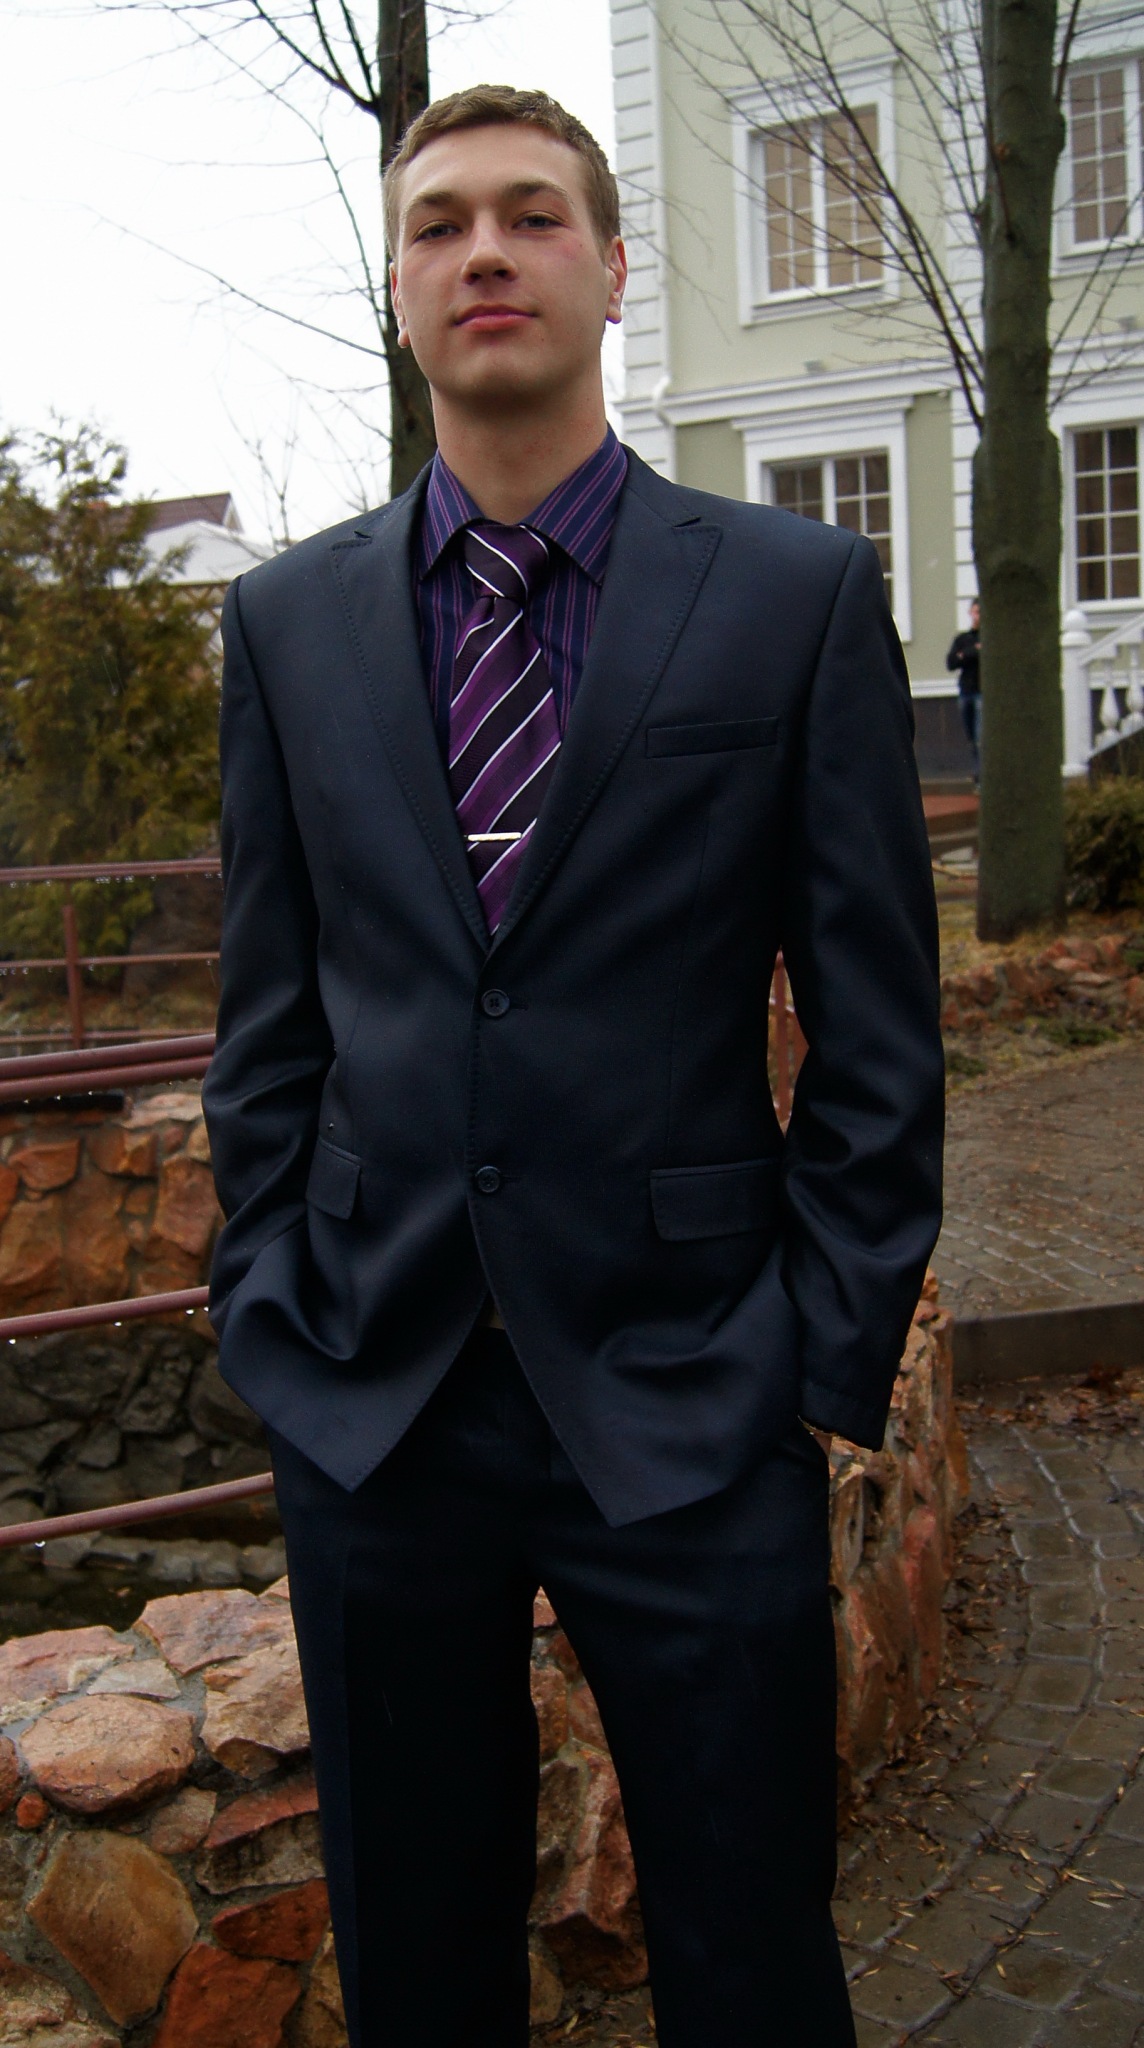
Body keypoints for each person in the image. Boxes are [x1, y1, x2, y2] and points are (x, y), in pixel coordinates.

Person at [203, 84, 944, 2048]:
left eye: (530, 214)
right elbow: (267, 1026)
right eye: (437, 222)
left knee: (749, 1952)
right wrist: (268, 1306)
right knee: (418, 1965)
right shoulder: (283, 626)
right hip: (375, 1397)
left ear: (610, 270)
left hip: (692, 1392)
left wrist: (812, 1362)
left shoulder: (789, 598)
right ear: (396, 290)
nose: (483, 251)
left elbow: (875, 1031)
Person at [947, 597, 981, 779]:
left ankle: (980, 775)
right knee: (971, 737)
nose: (977, 616)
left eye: (980, 612)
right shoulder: (963, 639)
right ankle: (977, 772)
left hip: (982, 693)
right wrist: (972, 651)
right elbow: (951, 662)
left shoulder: (988, 638)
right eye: (974, 612)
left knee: (980, 736)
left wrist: (964, 655)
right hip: (966, 691)